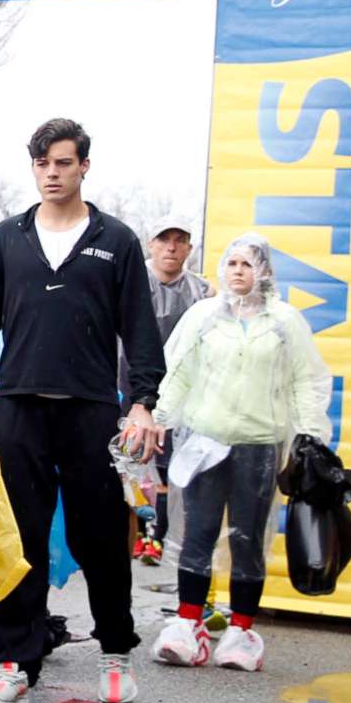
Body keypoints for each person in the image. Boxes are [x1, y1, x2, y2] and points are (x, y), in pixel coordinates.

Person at [0, 118, 164, 703]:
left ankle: (116, 649)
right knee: (19, 537)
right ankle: (17, 662)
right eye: (43, 163)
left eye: (64, 163)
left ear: (83, 167)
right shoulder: (8, 238)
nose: (52, 173)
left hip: (92, 410)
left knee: (97, 535)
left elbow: (140, 331)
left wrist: (142, 401)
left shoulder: (115, 240)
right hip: (18, 406)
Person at [151, 235, 329, 672]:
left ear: (264, 271)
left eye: (247, 264)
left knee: (248, 537)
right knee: (199, 532)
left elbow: (305, 380)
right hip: (206, 441)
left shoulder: (285, 324)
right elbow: (178, 372)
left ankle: (242, 630)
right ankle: (189, 623)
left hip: (259, 444)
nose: (237, 271)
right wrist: (159, 416)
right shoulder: (203, 318)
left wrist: (309, 433)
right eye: (231, 262)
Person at [142, 213, 210, 556]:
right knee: (127, 463)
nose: (171, 247)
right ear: (151, 244)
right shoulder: (132, 279)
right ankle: (134, 532)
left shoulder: (202, 292)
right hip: (131, 385)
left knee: (170, 465)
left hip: (181, 391)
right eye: (164, 239)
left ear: (189, 248)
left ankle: (161, 534)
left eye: (179, 240)